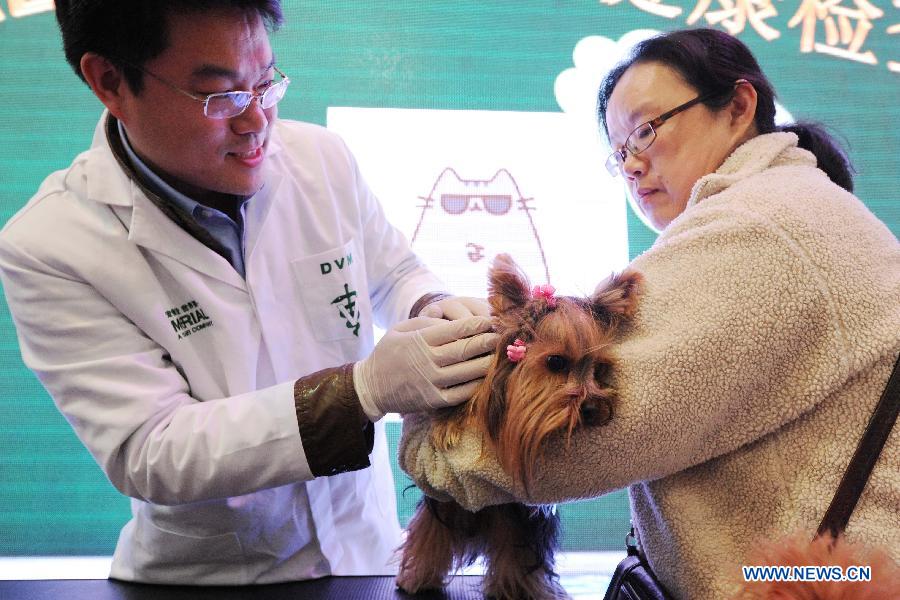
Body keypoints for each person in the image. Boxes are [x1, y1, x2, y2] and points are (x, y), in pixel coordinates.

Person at [0, 0, 499, 585]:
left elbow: (392, 273)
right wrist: (362, 390)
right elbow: (153, 449)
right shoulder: (50, 244)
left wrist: (431, 309)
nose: (256, 120)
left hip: (369, 559)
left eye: (265, 83)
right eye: (222, 97)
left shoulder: (321, 158)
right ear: (110, 81)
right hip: (215, 579)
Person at [400, 28, 900, 599]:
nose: (633, 163)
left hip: (791, 581)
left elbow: (586, 442)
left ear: (738, 107)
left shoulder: (756, 229)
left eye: (646, 129)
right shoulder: (804, 207)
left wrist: (427, 446)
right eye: (619, 151)